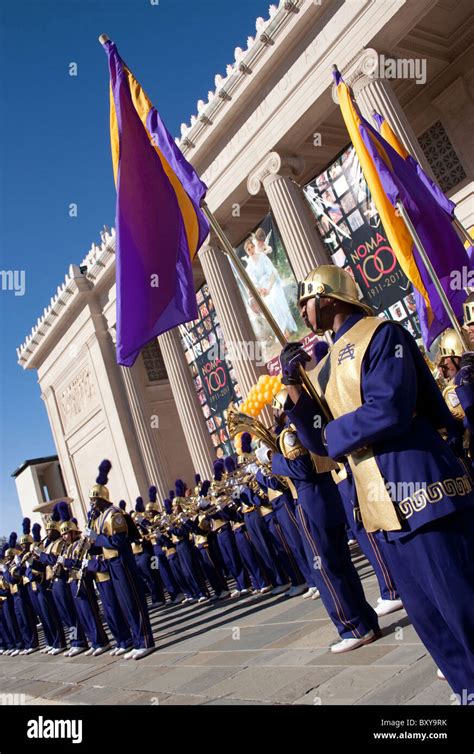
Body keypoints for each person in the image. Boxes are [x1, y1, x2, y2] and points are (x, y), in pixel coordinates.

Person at [279, 264, 474, 695]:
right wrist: (296, 388)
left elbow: (389, 408)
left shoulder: (383, 334)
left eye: (305, 301)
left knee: (461, 605)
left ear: (328, 297)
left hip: (420, 487)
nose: (303, 311)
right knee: (430, 621)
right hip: (378, 506)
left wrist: (332, 434)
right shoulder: (325, 364)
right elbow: (321, 438)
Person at [85, 460, 155, 660]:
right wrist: (91, 543)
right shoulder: (101, 517)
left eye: (93, 500)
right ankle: (135, 639)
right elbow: (102, 545)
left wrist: (96, 537)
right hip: (112, 563)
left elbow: (117, 541)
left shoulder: (115, 515)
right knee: (125, 604)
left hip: (122, 561)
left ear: (101, 499)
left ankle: (145, 640)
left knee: (133, 601)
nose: (92, 504)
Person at [244, 237, 297, 339]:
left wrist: (268, 288)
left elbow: (272, 273)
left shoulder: (263, 257)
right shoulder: (249, 267)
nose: (251, 250)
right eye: (248, 249)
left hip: (272, 284)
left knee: (276, 298)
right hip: (262, 290)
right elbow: (253, 283)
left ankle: (287, 328)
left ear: (254, 247)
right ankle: (282, 331)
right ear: (247, 252)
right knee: (268, 304)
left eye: (252, 247)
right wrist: (261, 290)